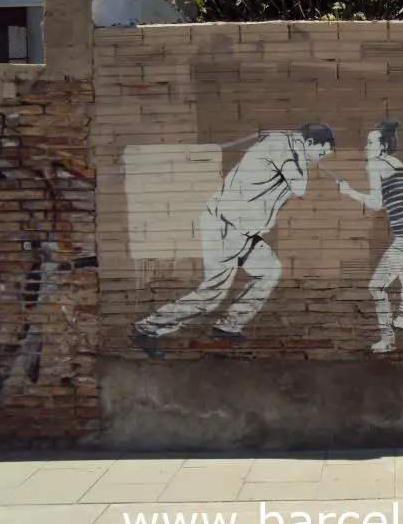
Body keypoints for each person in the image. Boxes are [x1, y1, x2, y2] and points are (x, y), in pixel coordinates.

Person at [131, 122, 336, 358]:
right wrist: (299, 153)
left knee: (269, 271)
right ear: (309, 142)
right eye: (320, 153)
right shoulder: (283, 149)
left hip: (242, 231)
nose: (318, 159)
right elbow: (299, 187)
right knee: (211, 294)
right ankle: (146, 329)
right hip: (227, 228)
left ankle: (228, 326)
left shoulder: (284, 145)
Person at [339, 119, 403, 353]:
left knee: (376, 287)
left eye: (370, 143)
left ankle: (387, 339)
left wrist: (349, 192)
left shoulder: (375, 165)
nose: (366, 147)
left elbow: (377, 204)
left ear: (383, 146)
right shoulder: (396, 162)